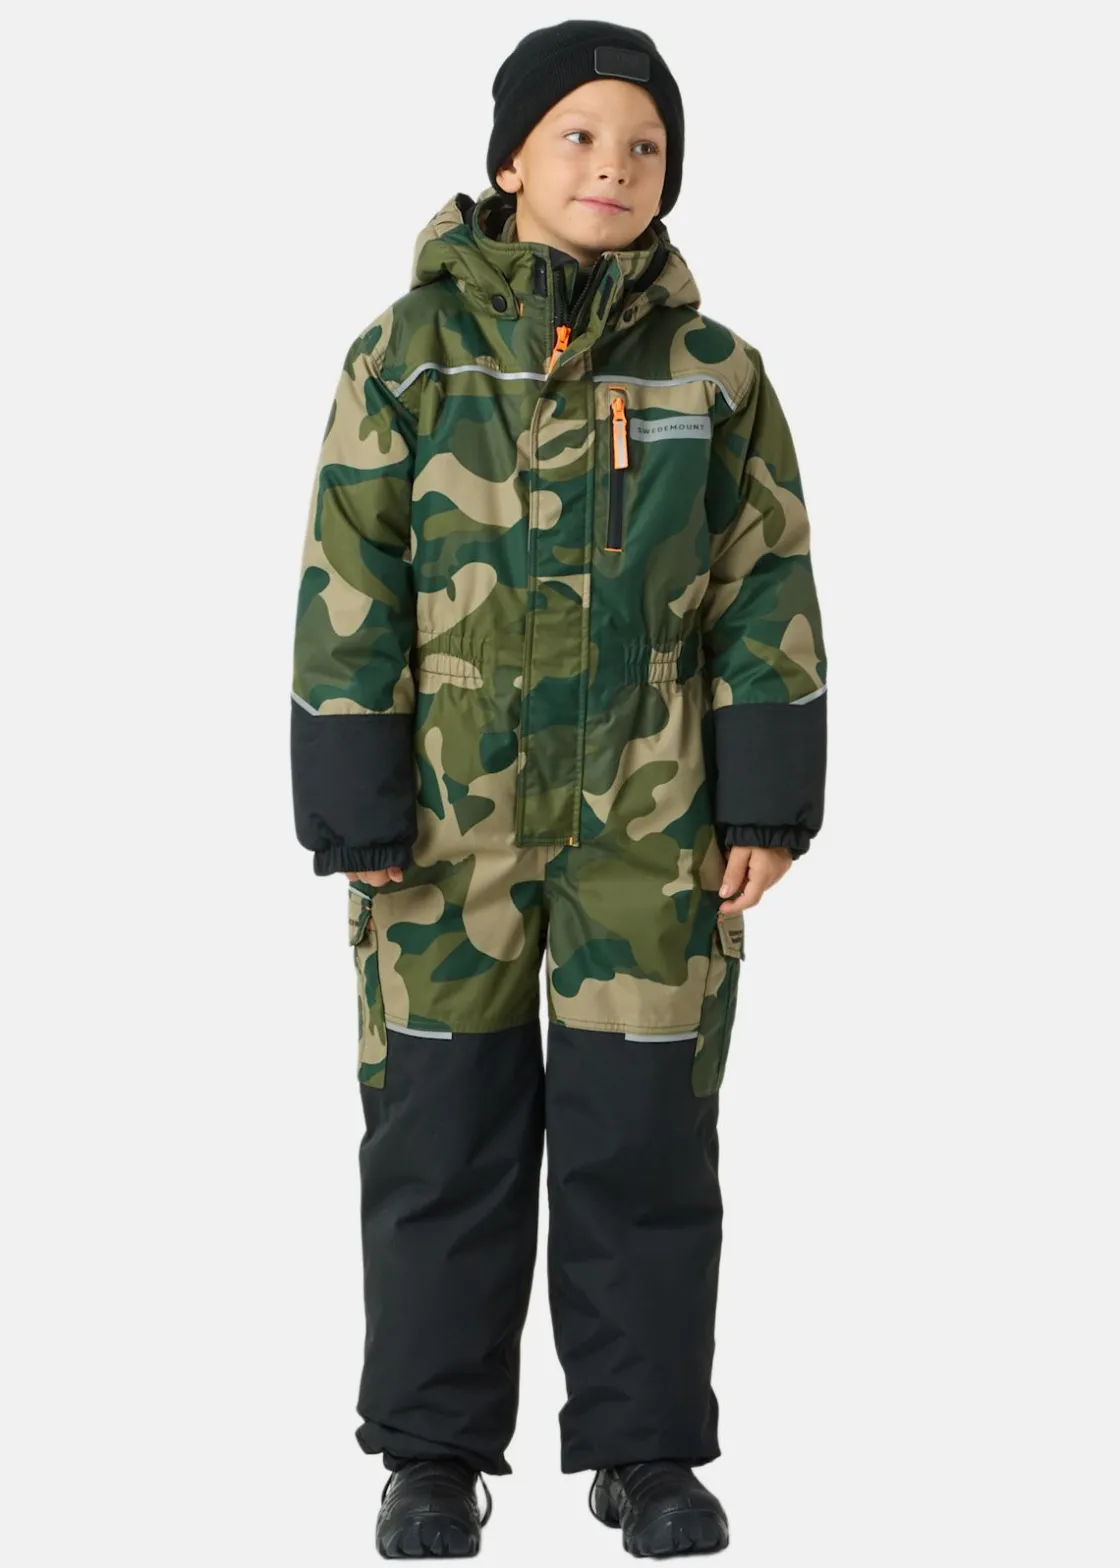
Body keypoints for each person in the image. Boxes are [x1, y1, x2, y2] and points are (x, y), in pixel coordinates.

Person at [289, 19, 827, 1559]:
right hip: (443, 822)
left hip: (651, 818)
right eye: (581, 134)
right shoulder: (408, 354)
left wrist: (764, 802)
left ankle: (646, 1452)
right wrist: (355, 801)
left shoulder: (715, 374)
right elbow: (349, 577)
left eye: (645, 144)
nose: (615, 164)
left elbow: (766, 585)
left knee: (642, 1136)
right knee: (438, 1131)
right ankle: (432, 1453)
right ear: (512, 157)